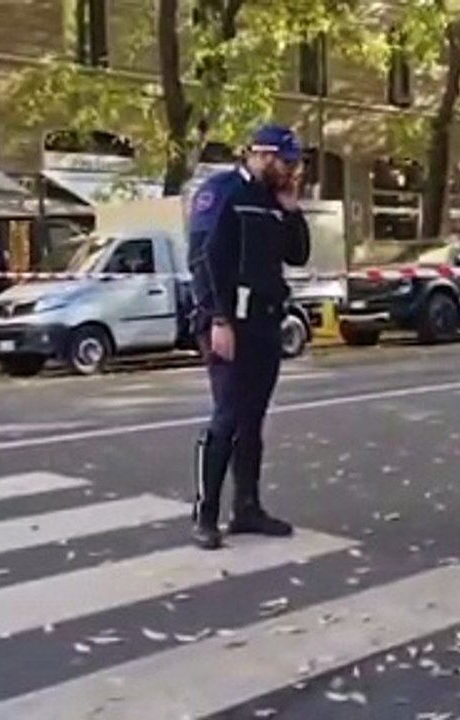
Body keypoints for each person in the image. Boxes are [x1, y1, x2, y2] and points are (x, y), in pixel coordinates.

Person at [187, 123, 311, 550]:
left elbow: (297, 254)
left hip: (264, 319)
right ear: (261, 155)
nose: (292, 170)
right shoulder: (223, 193)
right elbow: (203, 259)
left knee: (253, 419)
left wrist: (292, 211)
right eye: (286, 162)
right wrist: (217, 319)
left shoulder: (274, 199)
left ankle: (247, 507)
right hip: (228, 321)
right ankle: (205, 515)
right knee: (227, 416)